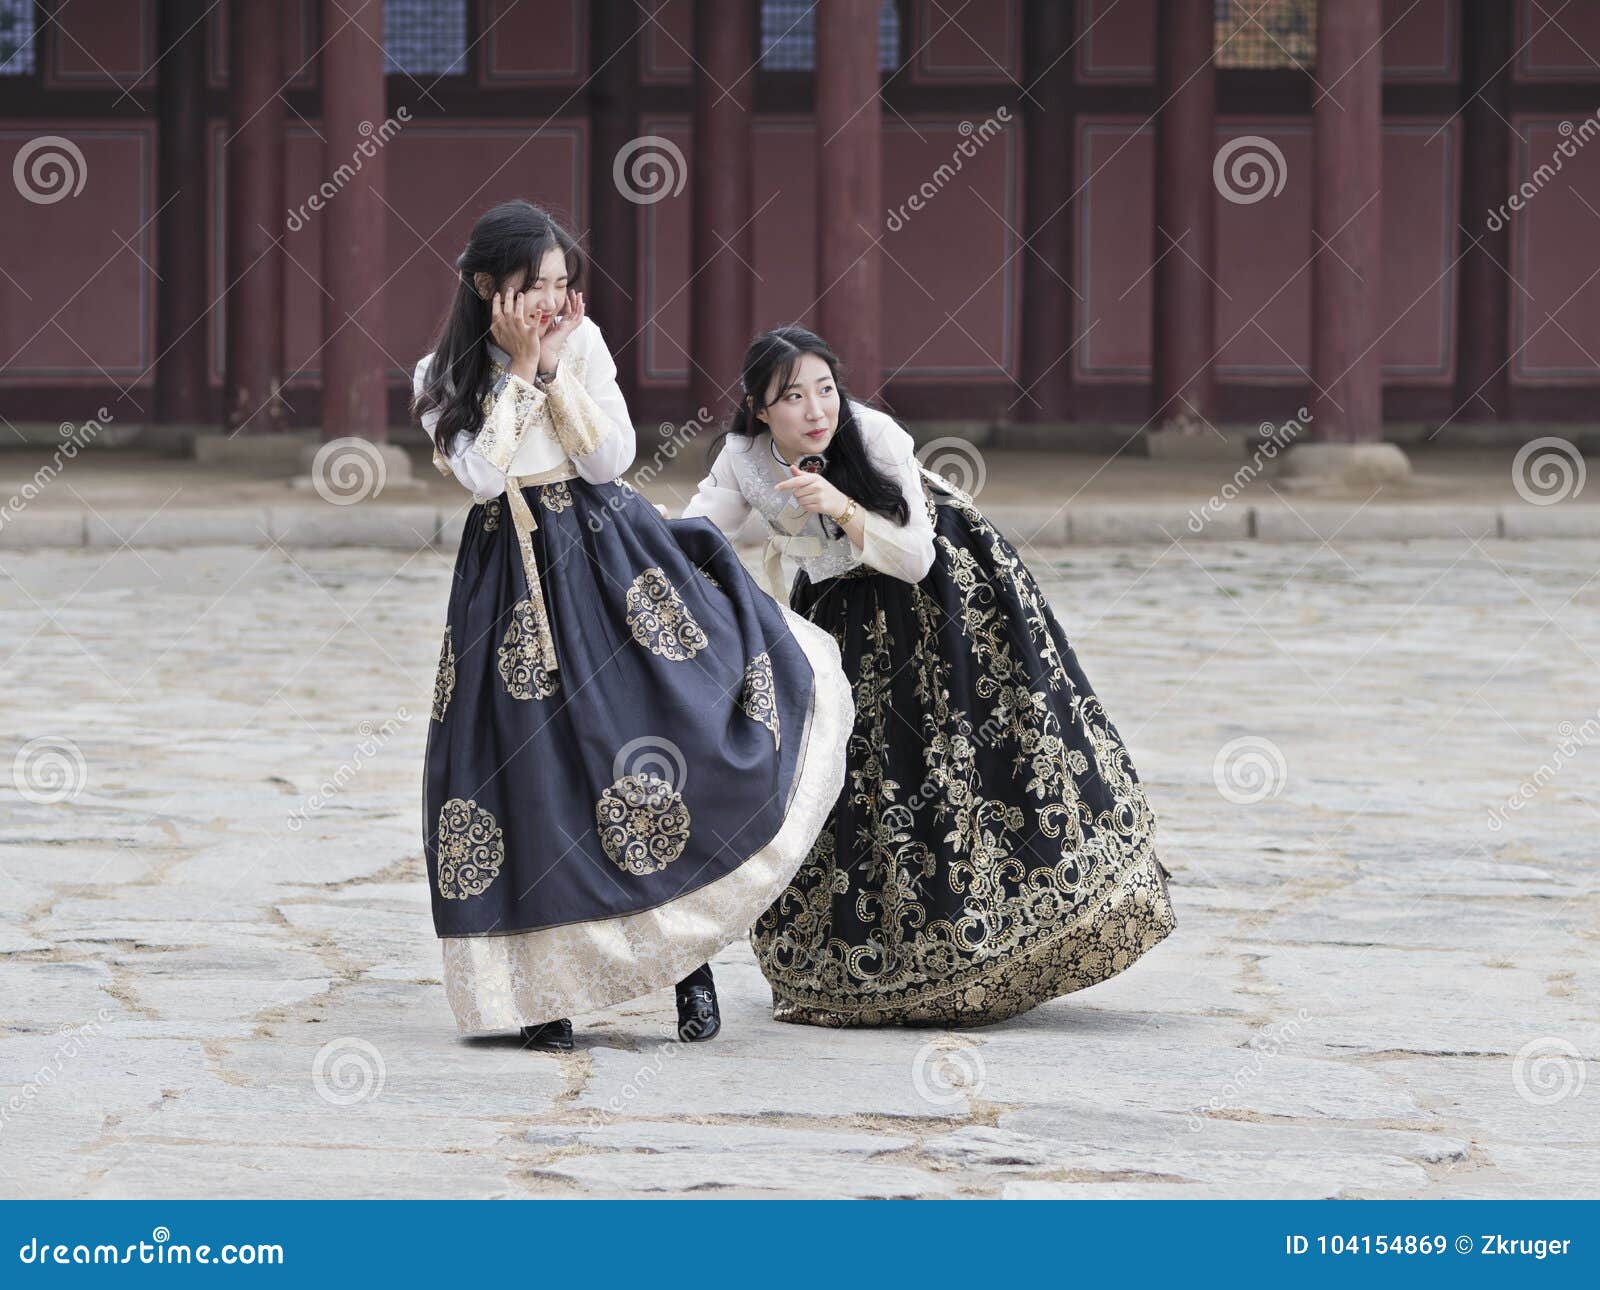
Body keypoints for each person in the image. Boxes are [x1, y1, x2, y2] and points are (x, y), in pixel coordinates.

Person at [413, 206, 850, 1050]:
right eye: (529, 286)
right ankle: (543, 993)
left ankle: (689, 962)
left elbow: (610, 458)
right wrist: (516, 371)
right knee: (531, 774)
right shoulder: (441, 373)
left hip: (612, 563)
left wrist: (551, 370)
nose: (548, 300)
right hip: (509, 584)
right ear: (482, 287)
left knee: (648, 748)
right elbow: (477, 472)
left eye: (557, 283)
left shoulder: (584, 343)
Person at [680, 325, 1175, 1027]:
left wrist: (842, 508)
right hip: (840, 607)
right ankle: (869, 963)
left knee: (958, 758)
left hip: (944, 598)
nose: (817, 410)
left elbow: (914, 556)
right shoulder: (744, 459)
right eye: (792, 397)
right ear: (760, 409)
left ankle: (990, 943)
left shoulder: (875, 434)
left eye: (825, 389)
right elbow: (698, 531)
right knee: (849, 772)